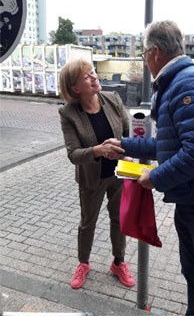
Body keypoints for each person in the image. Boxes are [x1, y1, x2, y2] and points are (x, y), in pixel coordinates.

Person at [105, 20, 194, 315]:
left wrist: (154, 177)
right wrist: (124, 145)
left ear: (155, 52)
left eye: (143, 53)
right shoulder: (176, 84)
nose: (144, 59)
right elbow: (168, 146)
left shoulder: (189, 83)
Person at [58, 58, 135, 290]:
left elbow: (126, 132)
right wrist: (98, 150)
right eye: (86, 76)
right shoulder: (69, 113)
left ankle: (118, 262)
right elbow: (73, 154)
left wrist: (127, 152)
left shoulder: (112, 99)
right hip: (92, 178)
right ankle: (83, 263)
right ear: (75, 88)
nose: (94, 77)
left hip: (118, 173)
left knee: (119, 220)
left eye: (93, 72)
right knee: (87, 223)